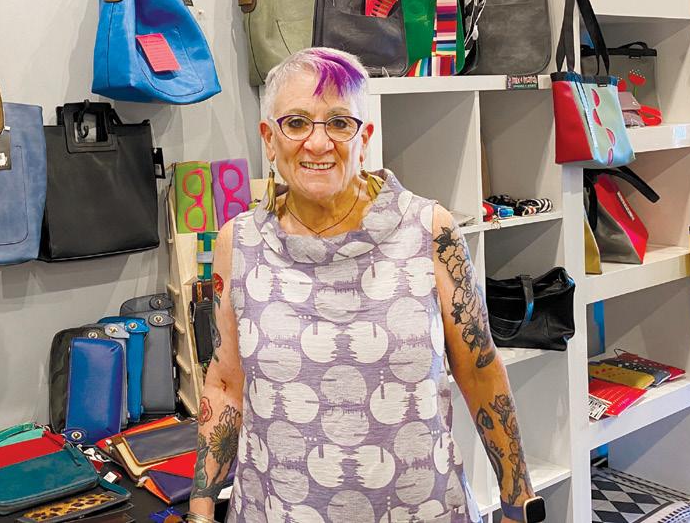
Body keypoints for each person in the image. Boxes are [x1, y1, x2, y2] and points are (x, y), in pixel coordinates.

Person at [186, 48, 545, 523]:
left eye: (339, 123)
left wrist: (518, 500)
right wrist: (201, 509)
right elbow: (225, 383)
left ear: (364, 138)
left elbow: (481, 372)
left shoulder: (429, 230)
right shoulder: (239, 243)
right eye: (296, 123)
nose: (318, 143)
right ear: (269, 140)